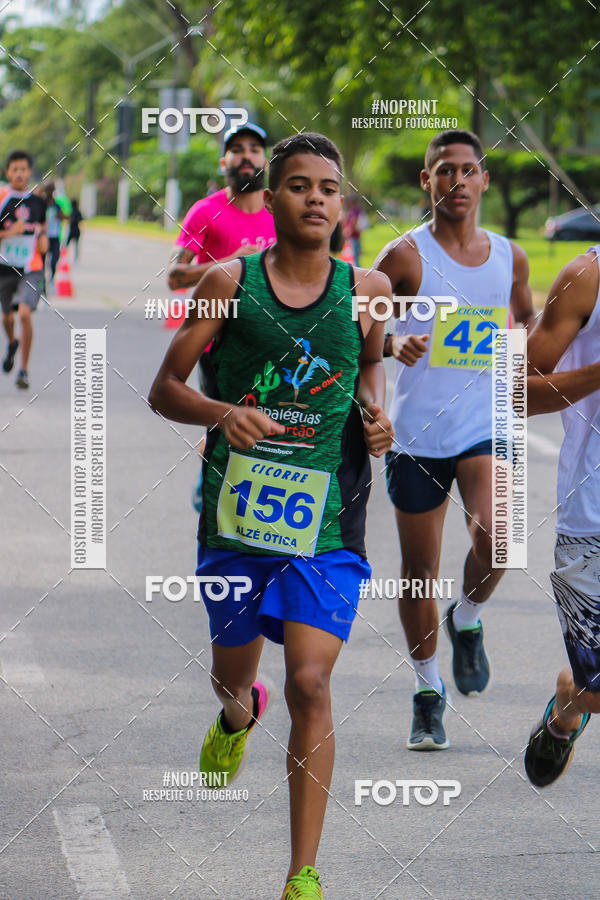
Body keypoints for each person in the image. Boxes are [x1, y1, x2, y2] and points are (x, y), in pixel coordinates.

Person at [149, 132, 394, 900]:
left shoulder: (369, 288)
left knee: (312, 685)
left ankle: (302, 874)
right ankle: (234, 716)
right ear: (273, 197)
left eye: (329, 188)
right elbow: (165, 388)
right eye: (299, 185)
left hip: (327, 525)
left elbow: (370, 364)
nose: (316, 198)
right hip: (236, 523)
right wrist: (222, 413)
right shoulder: (228, 280)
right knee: (236, 678)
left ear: (340, 205)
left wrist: (375, 415)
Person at [375, 129, 534, 750]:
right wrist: (393, 343)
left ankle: (466, 618)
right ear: (427, 181)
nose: (458, 182)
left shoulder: (510, 256)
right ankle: (426, 689)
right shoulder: (405, 258)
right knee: (419, 573)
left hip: (486, 425)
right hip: (418, 435)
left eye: (469, 171)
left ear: (484, 181)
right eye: (445, 171)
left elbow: (525, 320)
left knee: (500, 538)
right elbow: (361, 328)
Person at [168, 122, 277, 513]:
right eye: (237, 148)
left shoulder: (278, 210)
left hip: (274, 341)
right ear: (224, 160)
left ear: (265, 159)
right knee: (228, 425)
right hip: (218, 345)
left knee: (271, 429)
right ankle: (212, 491)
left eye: (254, 148)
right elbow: (175, 276)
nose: (246, 155)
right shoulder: (205, 212)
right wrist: (231, 264)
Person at [523, 246, 600, 786]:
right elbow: (518, 394)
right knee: (596, 688)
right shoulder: (585, 277)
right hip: (593, 517)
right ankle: (572, 701)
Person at [0, 151, 47, 390]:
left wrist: (43, 240)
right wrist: (10, 232)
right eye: (14, 169)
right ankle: (11, 343)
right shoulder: (1, 198)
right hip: (4, 268)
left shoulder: (38, 203)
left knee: (25, 314)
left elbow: (44, 234)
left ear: (30, 172)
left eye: (24, 169)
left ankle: (24, 370)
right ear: (7, 172)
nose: (19, 173)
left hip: (31, 268)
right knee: (7, 317)